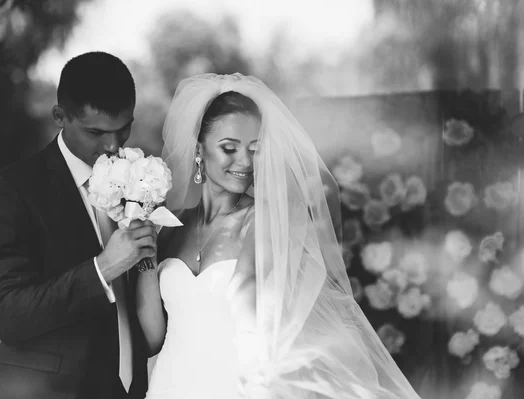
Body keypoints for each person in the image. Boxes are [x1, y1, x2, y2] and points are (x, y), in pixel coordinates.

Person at [136, 73, 422, 399]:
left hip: (236, 385)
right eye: (229, 148)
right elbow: (152, 339)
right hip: (170, 385)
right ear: (199, 149)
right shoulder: (169, 227)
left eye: (255, 150)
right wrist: (145, 259)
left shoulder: (263, 221)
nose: (244, 162)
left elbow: (249, 297)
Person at [0, 52, 154, 399]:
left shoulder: (140, 183)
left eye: (123, 129)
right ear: (60, 116)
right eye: (95, 131)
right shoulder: (12, 190)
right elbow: (8, 314)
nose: (113, 146)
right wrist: (102, 269)